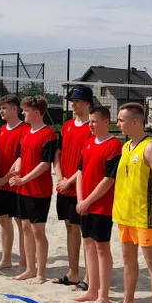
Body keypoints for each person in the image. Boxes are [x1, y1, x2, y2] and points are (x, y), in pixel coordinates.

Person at [104, 103, 152, 303]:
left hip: (143, 215)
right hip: (124, 213)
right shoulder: (126, 146)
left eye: (121, 120)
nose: (118, 123)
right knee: (128, 260)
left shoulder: (151, 147)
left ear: (135, 122)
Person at [74, 106, 122, 303]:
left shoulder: (114, 145)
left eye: (94, 121)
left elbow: (108, 180)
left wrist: (87, 201)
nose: (91, 125)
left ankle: (104, 294)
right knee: (88, 246)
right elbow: (80, 172)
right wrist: (80, 199)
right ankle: (92, 290)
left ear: (106, 122)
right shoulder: (88, 143)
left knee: (102, 248)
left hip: (102, 206)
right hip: (85, 204)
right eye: (90, 121)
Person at [9, 96, 58, 284]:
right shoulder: (26, 133)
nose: (23, 113)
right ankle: (30, 269)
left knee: (38, 231)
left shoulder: (48, 134)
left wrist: (23, 179)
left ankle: (41, 273)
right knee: (25, 228)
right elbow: (20, 156)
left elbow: (45, 164)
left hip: (39, 190)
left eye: (26, 110)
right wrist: (17, 171)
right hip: (23, 188)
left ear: (36, 112)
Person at [52, 85, 94, 289]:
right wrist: (61, 177)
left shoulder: (92, 127)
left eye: (77, 101)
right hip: (65, 185)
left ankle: (88, 277)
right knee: (70, 227)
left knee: (85, 232)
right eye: (72, 101)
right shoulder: (67, 125)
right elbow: (57, 153)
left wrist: (70, 181)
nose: (73, 104)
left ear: (87, 103)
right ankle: (73, 273)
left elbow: (89, 161)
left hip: (81, 186)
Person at [0, 94, 28, 270]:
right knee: (3, 220)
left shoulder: (25, 129)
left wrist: (4, 179)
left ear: (15, 109)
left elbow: (20, 158)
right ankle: (6, 259)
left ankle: (24, 261)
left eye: (4, 108)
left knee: (21, 223)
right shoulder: (2, 130)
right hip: (1, 182)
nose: (1, 111)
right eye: (0, 108)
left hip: (16, 183)